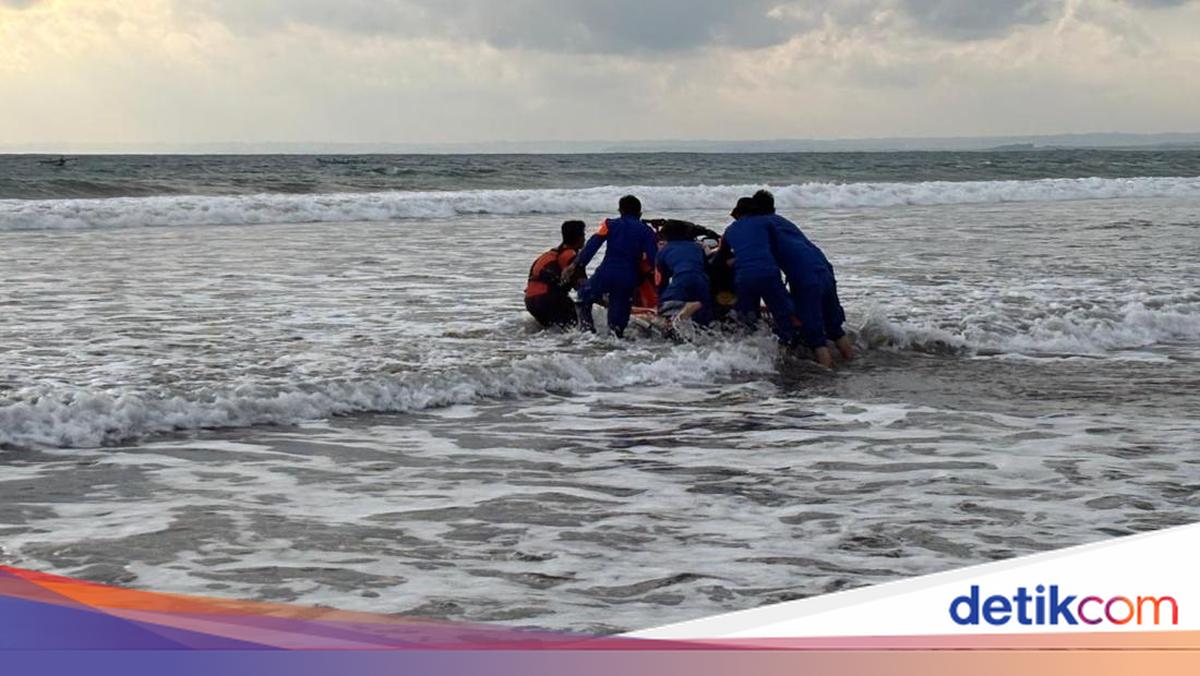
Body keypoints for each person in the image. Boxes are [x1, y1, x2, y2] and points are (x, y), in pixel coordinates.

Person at [752, 190, 853, 367]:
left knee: (815, 336)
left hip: (806, 277)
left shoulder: (760, 226)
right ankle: (852, 363)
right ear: (773, 208)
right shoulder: (784, 222)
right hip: (824, 269)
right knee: (834, 327)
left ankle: (828, 377)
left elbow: (762, 264)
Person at [563, 195, 658, 338]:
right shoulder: (647, 231)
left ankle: (587, 334)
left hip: (606, 274)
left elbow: (592, 245)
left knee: (583, 298)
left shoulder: (609, 224)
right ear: (640, 213)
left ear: (620, 211)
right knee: (617, 325)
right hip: (628, 278)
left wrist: (575, 264)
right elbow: (654, 259)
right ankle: (614, 344)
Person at [718, 199, 798, 343]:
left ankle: (750, 348)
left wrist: (735, 260)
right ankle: (789, 344)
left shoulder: (729, 230)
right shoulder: (766, 222)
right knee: (782, 313)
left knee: (747, 318)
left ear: (738, 214)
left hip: (743, 277)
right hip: (768, 273)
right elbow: (777, 246)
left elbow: (721, 256)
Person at [524, 220, 587, 328]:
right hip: (548, 298)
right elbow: (582, 287)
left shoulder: (550, 254)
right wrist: (606, 303)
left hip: (531, 301)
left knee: (554, 331)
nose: (585, 238)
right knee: (574, 328)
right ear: (579, 237)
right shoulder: (570, 256)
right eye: (584, 235)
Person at [655, 219, 712, 326]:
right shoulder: (697, 247)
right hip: (701, 281)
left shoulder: (663, 252)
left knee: (666, 311)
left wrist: (660, 300)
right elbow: (706, 268)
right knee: (703, 319)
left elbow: (662, 281)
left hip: (682, 280)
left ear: (666, 235)